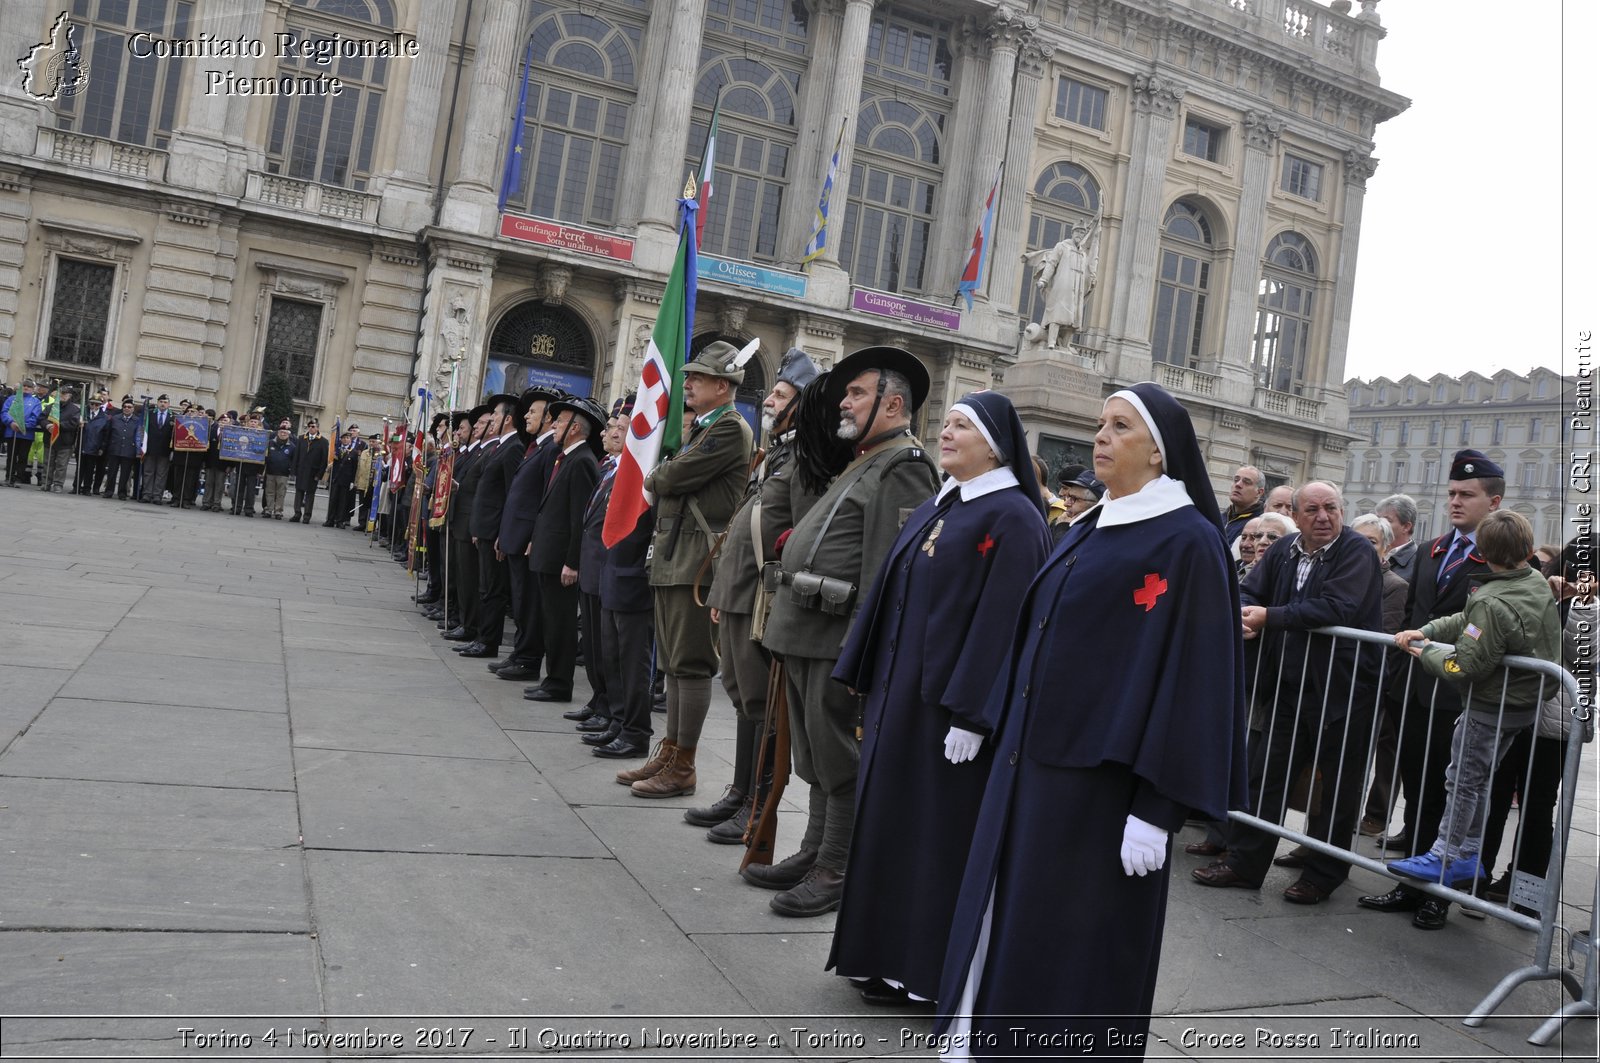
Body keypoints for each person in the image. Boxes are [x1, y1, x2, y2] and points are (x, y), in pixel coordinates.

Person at [933, 383, 1246, 1059]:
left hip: (1103, 789)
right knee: (1017, 925)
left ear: (1159, 454)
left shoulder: (1188, 541)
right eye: (1101, 423)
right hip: (1033, 769)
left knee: (1078, 949)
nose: (1101, 436)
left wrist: (1157, 808)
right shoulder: (1090, 523)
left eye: (1120, 426)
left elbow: (1197, 678)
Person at [828, 390, 1051, 1007]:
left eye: (961, 426)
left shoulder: (1012, 518)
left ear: (995, 445)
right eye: (946, 423)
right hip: (900, 701)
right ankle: (877, 953)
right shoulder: (944, 501)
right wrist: (865, 671)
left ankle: (921, 972)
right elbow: (892, 589)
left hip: (946, 714)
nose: (945, 433)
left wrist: (973, 715)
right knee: (889, 828)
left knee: (931, 838)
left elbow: (1003, 624)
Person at [750, 346, 941, 917]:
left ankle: (834, 866)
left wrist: (865, 657)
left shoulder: (904, 466)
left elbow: (889, 569)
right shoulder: (866, 458)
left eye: (858, 392)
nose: (846, 400)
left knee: (837, 755)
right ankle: (812, 850)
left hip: (838, 639)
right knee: (812, 749)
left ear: (894, 404)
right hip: (809, 629)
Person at [1191, 482, 1383, 906]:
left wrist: (1268, 617)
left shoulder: (1356, 552)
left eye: (1331, 508)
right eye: (1312, 509)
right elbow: (1250, 590)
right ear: (1295, 516)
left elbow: (1337, 608)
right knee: (1265, 780)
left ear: (1341, 511)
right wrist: (1243, 611)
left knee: (1337, 790)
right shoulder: (1284, 550)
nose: (1322, 516)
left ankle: (1323, 874)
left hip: (1343, 692)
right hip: (1287, 688)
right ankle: (1244, 864)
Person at [1384, 511, 1561, 901]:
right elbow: (1466, 618)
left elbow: (1466, 664)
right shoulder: (1532, 580)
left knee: (1462, 780)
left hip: (1491, 702)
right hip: (1521, 702)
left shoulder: (1493, 600)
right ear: (1527, 548)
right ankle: (1467, 852)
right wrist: (1428, 630)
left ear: (1483, 552)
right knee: (1477, 780)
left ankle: (1446, 854)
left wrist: (1426, 652)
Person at [1360, 449, 1502, 930]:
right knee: (1419, 790)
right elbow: (1417, 617)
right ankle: (1412, 881)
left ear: (1494, 501)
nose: (1456, 502)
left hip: (1462, 693)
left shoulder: (1502, 559)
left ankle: (1441, 891)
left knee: (1454, 794)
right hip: (1417, 689)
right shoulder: (1432, 550)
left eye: (1467, 495)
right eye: (1452, 494)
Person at [689, 347, 824, 840]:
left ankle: (758, 805)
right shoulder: (781, 453)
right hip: (741, 594)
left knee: (762, 705)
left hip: (765, 599)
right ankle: (740, 792)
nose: (768, 398)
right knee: (745, 698)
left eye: (781, 394)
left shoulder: (806, 460)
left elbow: (801, 536)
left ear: (801, 405)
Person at [617, 341, 754, 798]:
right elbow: (666, 475)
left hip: (698, 560)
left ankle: (683, 767)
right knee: (674, 664)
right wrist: (663, 473)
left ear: (723, 385)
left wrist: (662, 473)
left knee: (691, 664)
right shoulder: (705, 427)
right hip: (677, 554)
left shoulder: (730, 428)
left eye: (697, 378)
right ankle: (671, 750)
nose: (688, 384)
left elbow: (667, 478)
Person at [523, 396, 604, 696]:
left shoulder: (582, 461)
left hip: (562, 561)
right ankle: (552, 678)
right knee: (551, 620)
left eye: (560, 420)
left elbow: (579, 519)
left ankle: (559, 682)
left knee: (561, 623)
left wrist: (573, 562)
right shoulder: (566, 457)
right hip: (548, 553)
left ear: (575, 428)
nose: (554, 424)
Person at [494, 387, 563, 685]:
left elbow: (546, 498)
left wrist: (534, 536)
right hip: (515, 535)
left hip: (528, 540)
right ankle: (519, 652)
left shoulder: (551, 450)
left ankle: (528, 660)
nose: (526, 416)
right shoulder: (535, 446)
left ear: (549, 417)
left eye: (533, 412)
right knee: (520, 600)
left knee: (529, 602)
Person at [454, 394, 522, 659]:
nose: (491, 419)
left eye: (495, 415)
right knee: (484, 586)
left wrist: (501, 533)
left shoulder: (513, 447)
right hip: (482, 528)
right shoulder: (497, 447)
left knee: (492, 588)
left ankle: (488, 641)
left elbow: (509, 494)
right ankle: (482, 637)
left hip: (494, 530)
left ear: (508, 418)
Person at [1027, 216, 1100, 349]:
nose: (1080, 234)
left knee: (1073, 319)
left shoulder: (1083, 254)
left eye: (1082, 232)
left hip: (1076, 290)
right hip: (1062, 287)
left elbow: (1087, 271)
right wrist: (1044, 280)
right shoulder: (1062, 246)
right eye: (1077, 231)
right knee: (1057, 314)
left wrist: (1091, 280)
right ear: (1072, 233)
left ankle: (1065, 345)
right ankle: (1051, 342)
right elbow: (1051, 263)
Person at [4, 377, 42, 485]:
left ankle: (19, 478)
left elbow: (35, 417)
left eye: (29, 386)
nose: (26, 388)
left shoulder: (36, 402)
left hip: (26, 434)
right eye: (24, 386)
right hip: (12, 432)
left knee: (23, 457)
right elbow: (4, 412)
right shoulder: (12, 399)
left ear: (33, 389)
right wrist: (11, 422)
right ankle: (9, 477)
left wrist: (22, 425)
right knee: (11, 456)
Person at [43, 386, 81, 493]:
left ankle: (58, 484)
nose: (62, 396)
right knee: (48, 463)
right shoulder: (50, 407)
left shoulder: (75, 410)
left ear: (69, 396)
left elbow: (73, 424)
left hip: (65, 442)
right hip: (49, 440)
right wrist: (48, 426)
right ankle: (45, 482)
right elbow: (41, 418)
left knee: (61, 465)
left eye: (65, 394)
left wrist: (58, 425)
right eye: (61, 393)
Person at [291, 419, 329, 523]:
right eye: (310, 426)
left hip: (313, 473)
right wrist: (294, 471)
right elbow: (296, 455)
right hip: (301, 471)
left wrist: (319, 474)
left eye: (313, 426)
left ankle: (307, 516)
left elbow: (324, 460)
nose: (311, 428)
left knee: (310, 494)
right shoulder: (301, 438)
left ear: (317, 428)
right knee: (299, 492)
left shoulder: (323, 441)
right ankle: (297, 513)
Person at [139, 395, 175, 504]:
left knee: (161, 474)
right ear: (157, 402)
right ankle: (146, 494)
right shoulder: (150, 414)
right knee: (148, 472)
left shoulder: (173, 416)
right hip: (150, 448)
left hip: (164, 450)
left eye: (165, 402)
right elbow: (143, 430)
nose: (163, 404)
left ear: (168, 404)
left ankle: (157, 496)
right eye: (161, 401)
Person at [1376, 493, 1419, 583]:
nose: (1380, 525)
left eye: (1387, 520)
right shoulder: (1371, 552)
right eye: (1378, 519)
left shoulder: (1419, 564)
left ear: (1406, 527)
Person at [104, 397, 141, 499]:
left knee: (125, 474)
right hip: (115, 449)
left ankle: (122, 493)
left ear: (133, 408)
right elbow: (109, 433)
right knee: (111, 473)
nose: (127, 408)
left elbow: (138, 436)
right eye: (124, 407)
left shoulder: (137, 420)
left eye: (129, 407)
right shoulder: (115, 418)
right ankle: (109, 491)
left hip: (129, 450)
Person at [77, 390, 112, 495]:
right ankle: (76, 487)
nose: (94, 406)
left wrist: (102, 448)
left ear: (100, 405)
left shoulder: (105, 418)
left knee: (90, 469)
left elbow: (106, 436)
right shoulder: (84, 414)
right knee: (79, 468)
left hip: (94, 447)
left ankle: (87, 488)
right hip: (82, 445)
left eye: (96, 404)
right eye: (92, 403)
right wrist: (79, 425)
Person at [1222, 465, 1266, 549]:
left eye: (1246, 482)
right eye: (1236, 480)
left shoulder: (1261, 523)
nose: (1238, 484)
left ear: (1259, 492)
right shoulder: (1221, 517)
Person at [262, 420, 297, 519]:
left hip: (283, 474)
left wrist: (292, 472)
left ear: (288, 435)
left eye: (285, 433)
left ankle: (278, 511)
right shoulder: (270, 443)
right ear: (278, 433)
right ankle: (268, 509)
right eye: (281, 432)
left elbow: (293, 460)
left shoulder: (292, 447)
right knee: (269, 492)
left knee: (281, 493)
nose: (283, 434)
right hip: (270, 472)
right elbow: (264, 457)